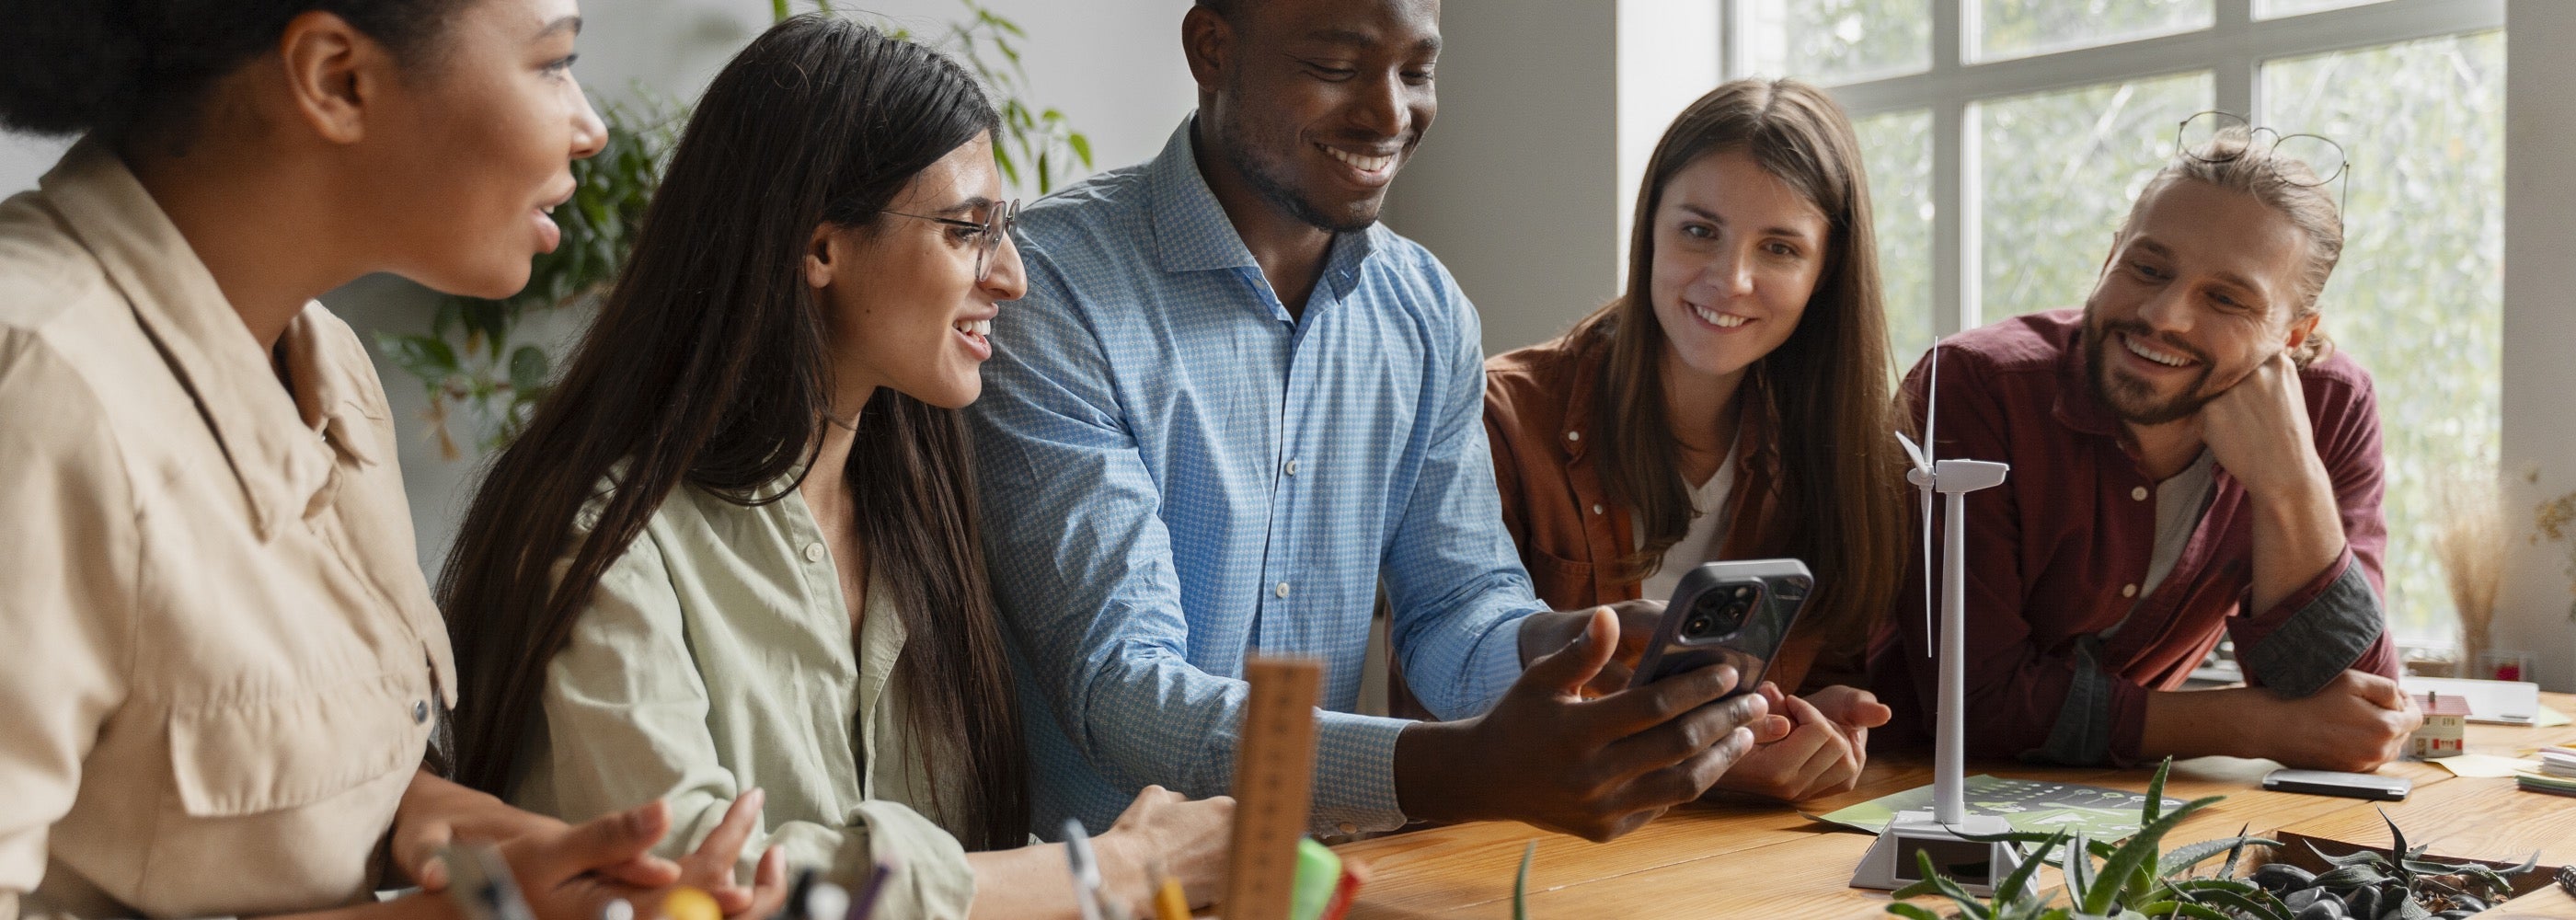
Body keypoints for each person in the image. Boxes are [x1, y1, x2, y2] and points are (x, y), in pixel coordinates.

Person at [436, 17, 1233, 920]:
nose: (1010, 276)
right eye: (968, 231)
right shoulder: (609, 536)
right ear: (820, 248)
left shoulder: (923, 510)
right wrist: (1113, 870)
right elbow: (689, 875)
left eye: (1002, 229)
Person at [0, 0, 771, 916]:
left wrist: (456, 835)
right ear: (337, 78)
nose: (590, 126)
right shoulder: (37, 389)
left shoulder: (329, 371)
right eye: (551, 63)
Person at [966, 0, 1771, 845]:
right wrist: (1458, 770)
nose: (1391, 114)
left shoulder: (1424, 312)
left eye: (1416, 71)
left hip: (1312, 882)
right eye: (1336, 68)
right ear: (1211, 48)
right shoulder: (1045, 290)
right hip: (1085, 890)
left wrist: (1569, 649)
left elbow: (1458, 607)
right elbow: (1122, 690)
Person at [1866, 116, 2421, 772]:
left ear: (2293, 337)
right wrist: (2246, 726)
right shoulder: (1977, 386)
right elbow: (1974, 705)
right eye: (2148, 267)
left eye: (2226, 298)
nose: (2164, 315)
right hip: (1897, 790)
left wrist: (2290, 482)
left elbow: (2355, 716)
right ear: (2110, 257)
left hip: (2129, 804)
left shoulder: (2330, 406)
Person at [1482, 78, 1902, 803]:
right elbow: (1453, 709)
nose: (1731, 280)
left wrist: (1811, 723)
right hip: (1511, 860)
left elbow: (1839, 663)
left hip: (1721, 865)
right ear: (1650, 227)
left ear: (1823, 272)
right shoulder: (1503, 419)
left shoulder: (1834, 450)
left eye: (1778, 248)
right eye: (1699, 231)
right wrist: (1702, 762)